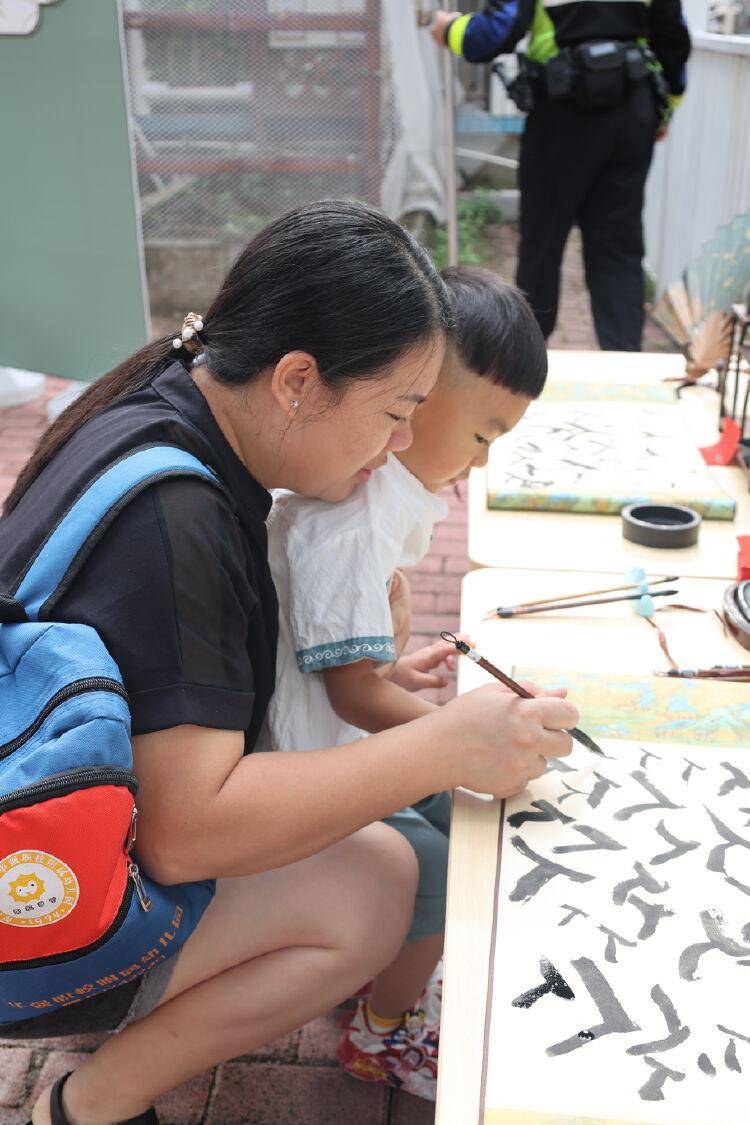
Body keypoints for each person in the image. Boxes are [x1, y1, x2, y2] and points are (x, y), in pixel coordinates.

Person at [0, 202, 578, 1125]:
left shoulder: (159, 404)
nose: (398, 445)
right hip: (36, 916)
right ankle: (87, 1102)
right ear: (298, 381)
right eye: (395, 412)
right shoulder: (175, 520)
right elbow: (189, 833)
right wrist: (448, 745)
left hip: (45, 829)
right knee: (381, 883)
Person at [264, 267, 548, 1100]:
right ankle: (380, 1033)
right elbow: (351, 696)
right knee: (434, 864)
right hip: (304, 762)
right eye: (480, 433)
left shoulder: (384, 489)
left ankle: (386, 976)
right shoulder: (358, 512)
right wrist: (452, 731)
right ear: (415, 403)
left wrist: (397, 669)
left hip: (326, 734)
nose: (483, 460)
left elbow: (342, 664)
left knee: (461, 818)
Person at [431, 2, 691, 352]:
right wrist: (665, 107)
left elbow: (496, 34)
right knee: (618, 249)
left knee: (542, 243)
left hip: (562, 111)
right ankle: (626, 369)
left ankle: (524, 367)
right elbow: (673, 38)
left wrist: (448, 28)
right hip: (630, 108)